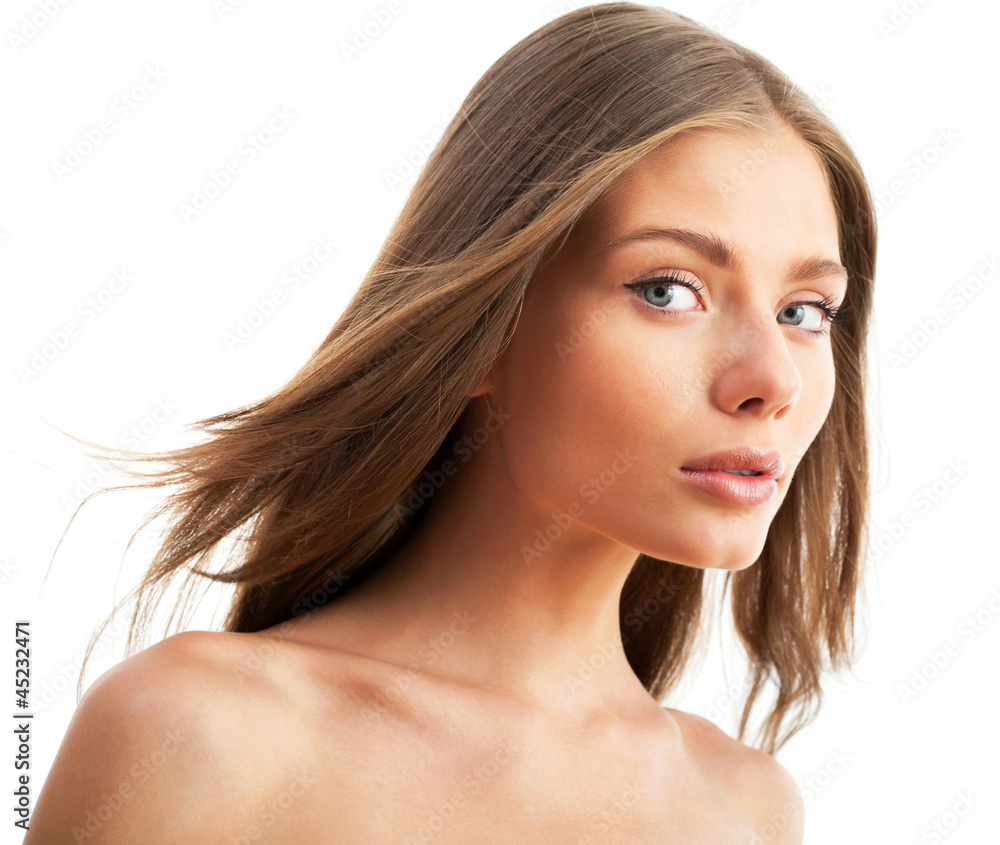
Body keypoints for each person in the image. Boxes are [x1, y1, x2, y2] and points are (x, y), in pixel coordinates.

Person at [25, 3, 875, 841]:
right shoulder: (201, 736)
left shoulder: (744, 811)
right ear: (484, 329)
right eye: (667, 290)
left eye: (804, 311)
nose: (773, 380)